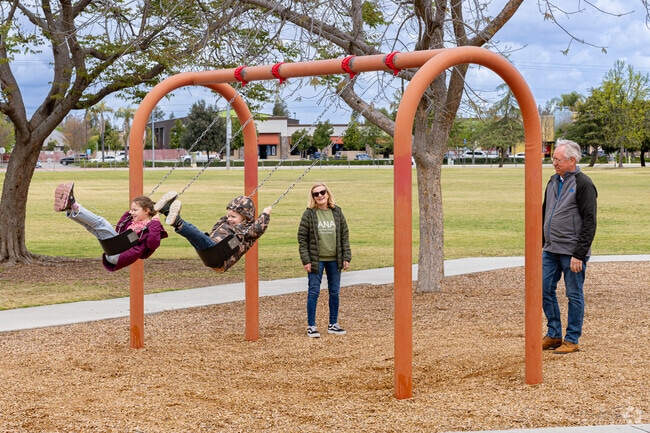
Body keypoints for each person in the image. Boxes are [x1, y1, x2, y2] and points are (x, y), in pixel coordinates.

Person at [541, 139, 598, 354]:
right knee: (544, 289)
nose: (553, 162)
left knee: (574, 294)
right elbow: (546, 212)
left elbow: (589, 221)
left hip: (572, 253)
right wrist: (542, 243)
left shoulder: (584, 184)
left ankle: (572, 339)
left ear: (572, 160)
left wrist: (579, 254)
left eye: (558, 159)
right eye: (553, 159)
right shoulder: (553, 181)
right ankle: (554, 334)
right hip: (551, 249)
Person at [54, 182, 167, 272]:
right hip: (113, 251)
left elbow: (153, 244)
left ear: (147, 211)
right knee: (94, 228)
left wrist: (155, 221)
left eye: (135, 210)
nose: (132, 212)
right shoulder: (132, 222)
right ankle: (69, 209)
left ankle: (73, 204)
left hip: (119, 255)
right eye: (131, 210)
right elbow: (118, 231)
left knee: (101, 223)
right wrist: (128, 215)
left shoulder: (152, 227)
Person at [154, 191, 272, 272]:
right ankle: (167, 211)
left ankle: (177, 221)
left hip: (220, 257)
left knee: (197, 235)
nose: (230, 219)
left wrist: (266, 214)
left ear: (246, 217)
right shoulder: (227, 222)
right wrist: (229, 215)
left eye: (233, 217)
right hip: (211, 250)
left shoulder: (247, 231)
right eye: (228, 216)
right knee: (195, 236)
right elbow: (215, 229)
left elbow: (258, 229)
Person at [297, 182, 351, 338]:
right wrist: (306, 260)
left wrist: (346, 256)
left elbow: (344, 236)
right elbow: (302, 238)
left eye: (323, 192)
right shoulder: (309, 214)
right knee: (313, 291)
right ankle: (311, 326)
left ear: (328, 194)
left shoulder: (337, 212)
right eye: (316, 194)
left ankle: (333, 324)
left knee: (335, 292)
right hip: (316, 259)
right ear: (313, 197)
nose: (320, 195)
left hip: (335, 259)